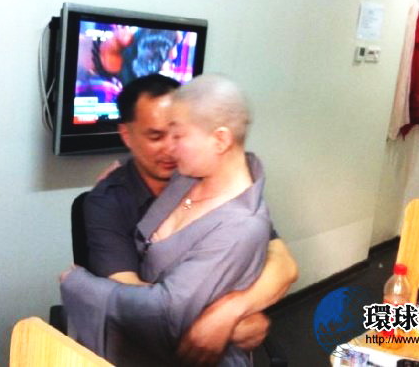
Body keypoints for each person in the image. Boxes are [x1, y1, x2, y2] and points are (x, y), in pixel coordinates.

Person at [61, 74, 297, 366]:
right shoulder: (109, 200)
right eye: (156, 136)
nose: (170, 149)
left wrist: (231, 312)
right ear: (127, 135)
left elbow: (282, 261)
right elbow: (139, 303)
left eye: (178, 134)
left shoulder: (203, 178)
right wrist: (222, 325)